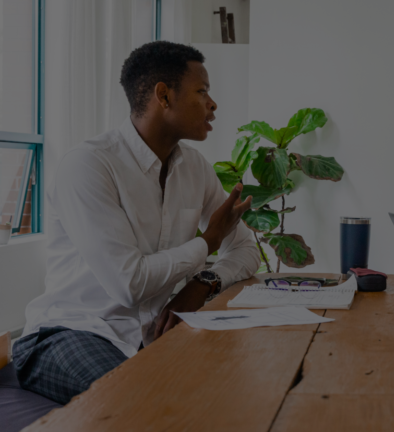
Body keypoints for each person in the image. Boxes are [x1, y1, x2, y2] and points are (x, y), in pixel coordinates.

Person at [13, 41, 260, 404]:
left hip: (149, 333)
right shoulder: (89, 166)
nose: (212, 104)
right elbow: (129, 283)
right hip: (70, 332)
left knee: (239, 383)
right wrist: (208, 242)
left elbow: (245, 248)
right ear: (163, 96)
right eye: (202, 91)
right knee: (142, 401)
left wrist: (203, 283)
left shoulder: (194, 168)